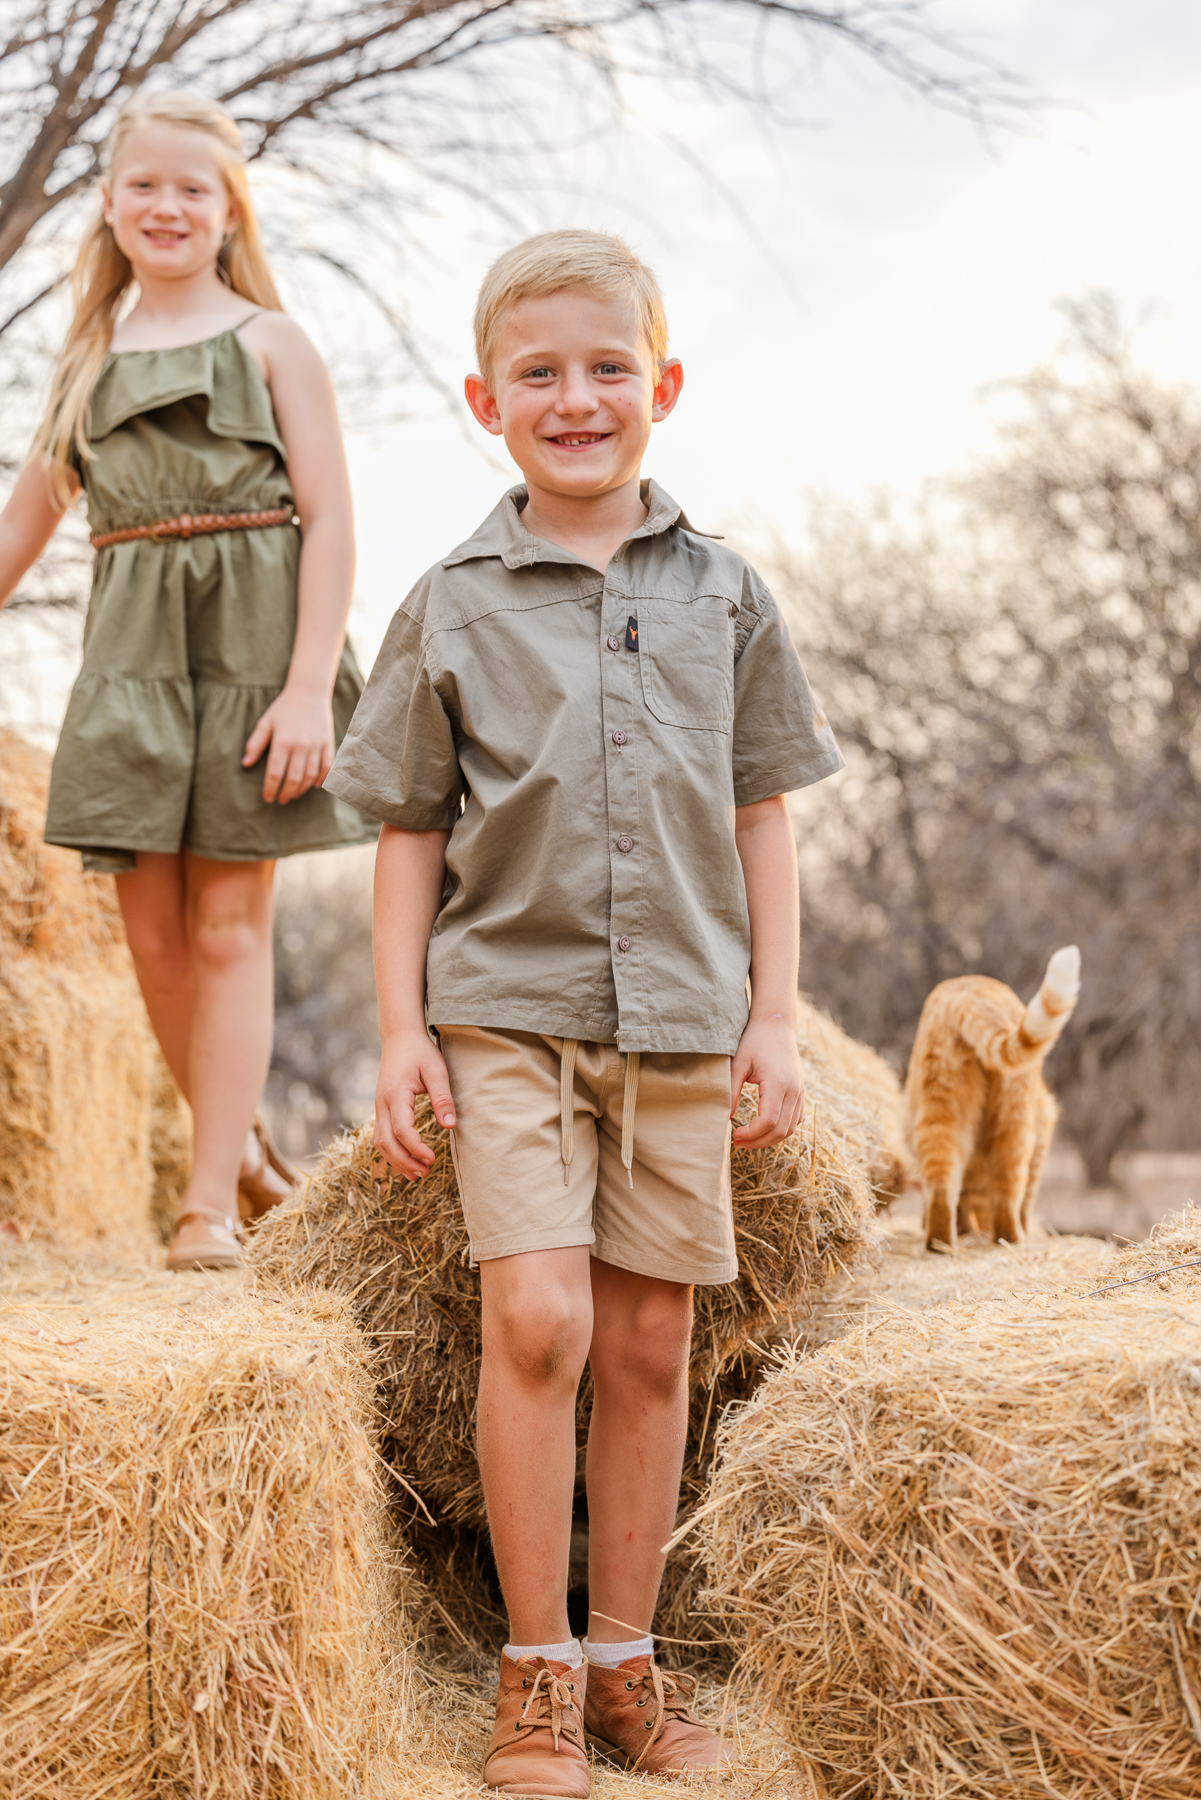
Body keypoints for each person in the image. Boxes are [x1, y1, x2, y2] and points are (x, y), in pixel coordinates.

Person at [326, 229, 843, 1796]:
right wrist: (403, 1028)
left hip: (684, 1011)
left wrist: (775, 1014)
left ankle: (629, 1662)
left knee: (648, 1338)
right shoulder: (450, 603)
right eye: (539, 373)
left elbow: (764, 813)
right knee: (536, 1316)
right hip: (505, 1009)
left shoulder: (727, 593)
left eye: (606, 366)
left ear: (662, 385)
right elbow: (407, 827)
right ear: (487, 400)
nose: (576, 397)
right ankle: (533, 1672)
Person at [0, 90, 376, 1272]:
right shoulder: (86, 365)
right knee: (148, 934)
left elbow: (331, 522)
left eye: (191, 189)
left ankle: (204, 1207)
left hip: (256, 653)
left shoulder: (272, 341)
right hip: (131, 660)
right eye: (144, 185)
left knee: (226, 925)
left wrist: (310, 685)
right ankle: (247, 1151)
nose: (166, 205)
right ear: (109, 207)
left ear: (228, 214)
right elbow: (19, 534)